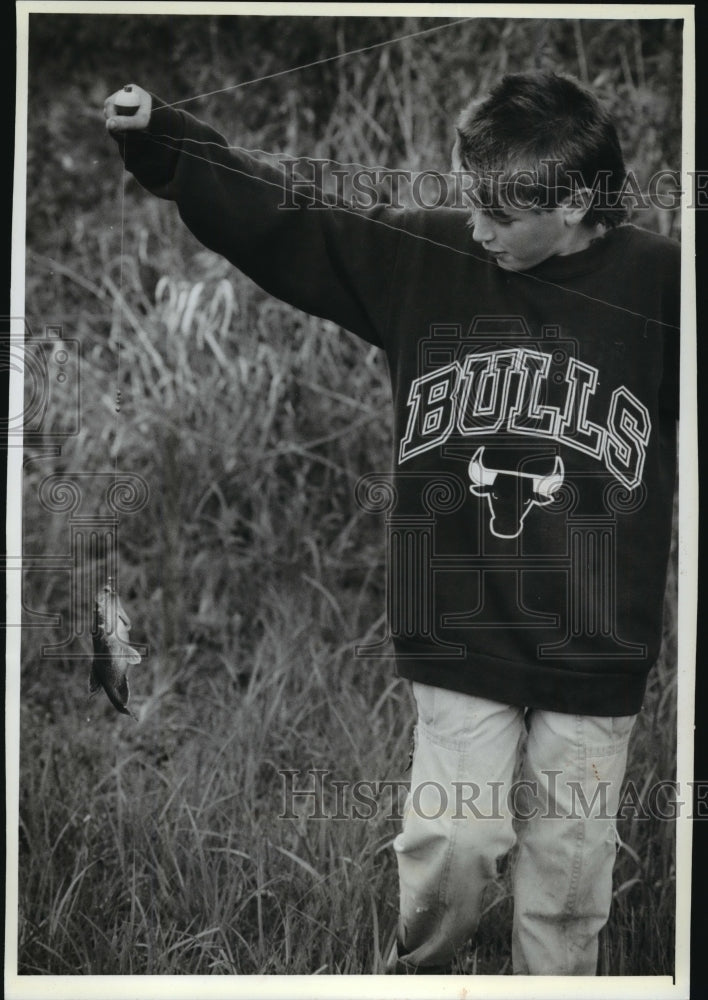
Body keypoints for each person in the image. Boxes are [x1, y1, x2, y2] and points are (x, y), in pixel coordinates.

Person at [104, 71, 679, 976]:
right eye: (468, 197)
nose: (478, 225)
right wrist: (168, 140)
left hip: (596, 634)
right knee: (453, 845)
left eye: (500, 211)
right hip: (456, 616)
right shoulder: (429, 259)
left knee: (568, 881)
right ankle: (420, 976)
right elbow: (293, 220)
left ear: (573, 203)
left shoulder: (663, 285)